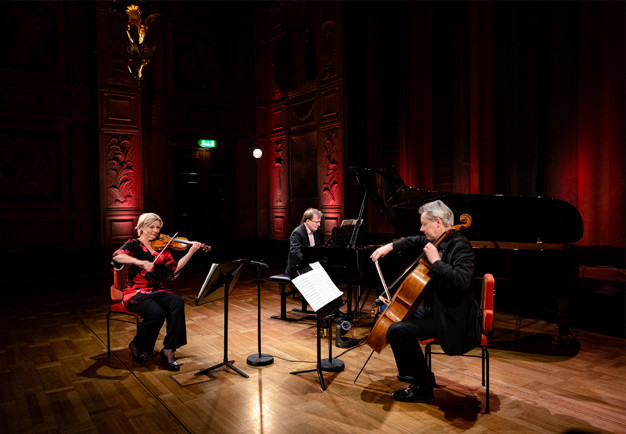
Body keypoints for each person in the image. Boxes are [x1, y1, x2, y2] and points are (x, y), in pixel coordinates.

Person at [370, 200, 481, 402]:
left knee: (397, 330)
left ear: (438, 222)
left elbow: (461, 281)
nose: (421, 229)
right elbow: (413, 241)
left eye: (424, 224)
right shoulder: (440, 241)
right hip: (438, 310)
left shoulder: (460, 245)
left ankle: (420, 385)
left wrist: (436, 262)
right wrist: (389, 247)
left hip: (453, 318)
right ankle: (422, 376)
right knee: (394, 319)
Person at [111, 212, 202, 371]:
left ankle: (169, 349)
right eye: (151, 227)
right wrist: (139, 262)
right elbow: (117, 258)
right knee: (157, 314)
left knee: (177, 302)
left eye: (158, 227)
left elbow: (172, 270)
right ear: (141, 227)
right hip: (135, 292)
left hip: (157, 289)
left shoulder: (163, 247)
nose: (155, 230)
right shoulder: (133, 244)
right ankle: (137, 345)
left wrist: (191, 252)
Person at [285, 208, 324, 277]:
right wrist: (311, 261)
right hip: (298, 267)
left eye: (319, 222)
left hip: (310, 266)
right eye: (316, 222)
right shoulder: (297, 233)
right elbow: (295, 253)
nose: (319, 224)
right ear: (308, 221)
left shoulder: (316, 232)